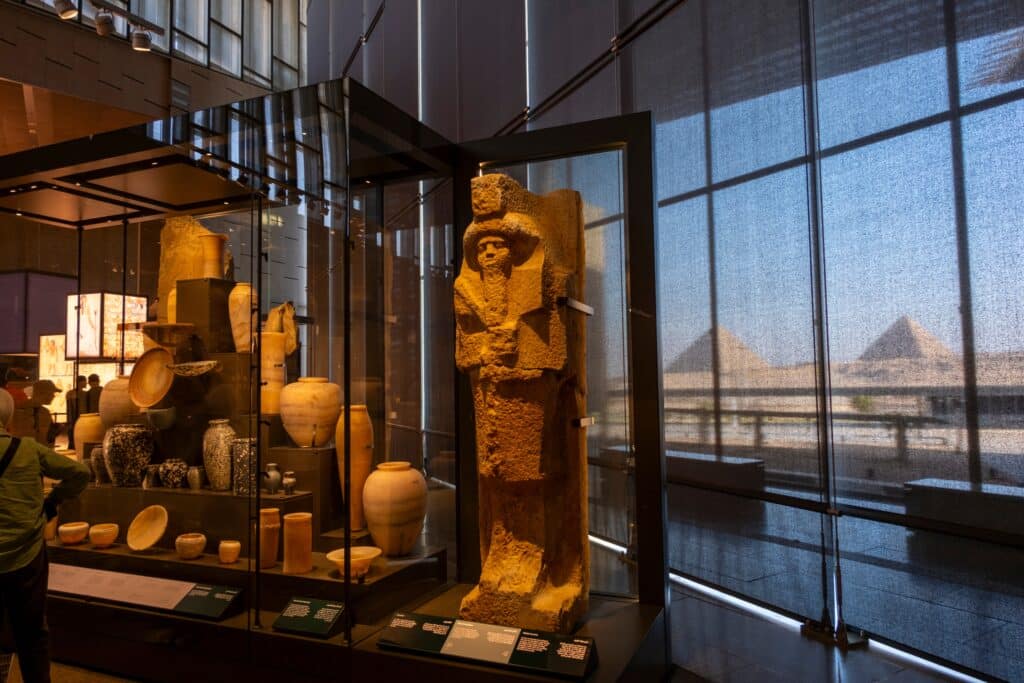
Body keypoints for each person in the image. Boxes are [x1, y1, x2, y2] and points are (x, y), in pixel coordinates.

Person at [0, 386, 89, 683]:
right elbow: (80, 474)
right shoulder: (28, 449)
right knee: (32, 635)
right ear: (9, 421)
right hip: (28, 558)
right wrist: (51, 502)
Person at [65, 377, 87, 450]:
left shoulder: (69, 393)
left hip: (72, 419)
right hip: (79, 419)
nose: (86, 383)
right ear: (80, 382)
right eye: (85, 381)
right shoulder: (83, 394)